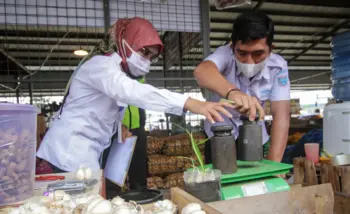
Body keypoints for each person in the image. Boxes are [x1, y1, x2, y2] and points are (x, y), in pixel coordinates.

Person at [37, 17, 234, 173]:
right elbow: (132, 92)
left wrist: (117, 127)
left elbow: (98, 108)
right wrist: (191, 103)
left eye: (151, 57)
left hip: (84, 155)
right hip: (66, 155)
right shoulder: (102, 66)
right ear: (125, 43)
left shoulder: (118, 71)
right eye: (144, 52)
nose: (147, 61)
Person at [194, 12, 290, 162]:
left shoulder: (278, 67)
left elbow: (281, 116)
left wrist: (274, 165)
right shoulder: (225, 54)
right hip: (220, 136)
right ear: (233, 48)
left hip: (256, 136)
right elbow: (202, 71)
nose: (249, 62)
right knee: (222, 180)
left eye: (258, 54)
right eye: (242, 53)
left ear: (271, 49)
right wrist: (232, 93)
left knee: (257, 181)